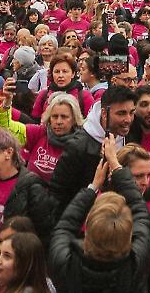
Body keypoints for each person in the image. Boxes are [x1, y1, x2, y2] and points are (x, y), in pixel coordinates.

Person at [47, 134, 150, 293]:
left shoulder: (64, 263)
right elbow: (141, 212)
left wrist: (92, 186)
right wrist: (116, 165)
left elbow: (64, 226)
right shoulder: (135, 264)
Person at [48, 84, 136, 213]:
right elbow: (58, 194)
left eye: (132, 113)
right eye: (121, 113)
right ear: (104, 113)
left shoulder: (131, 135)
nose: (128, 119)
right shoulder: (78, 145)